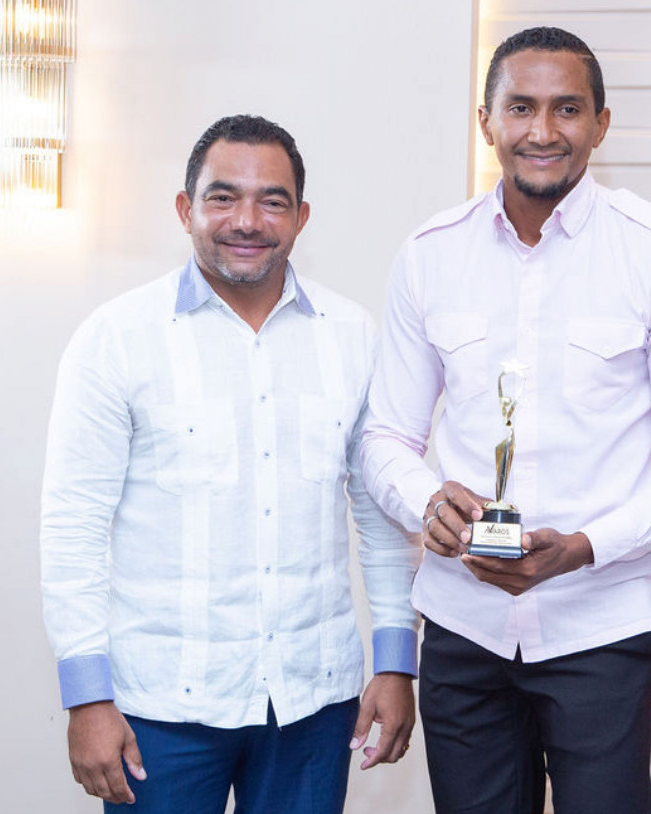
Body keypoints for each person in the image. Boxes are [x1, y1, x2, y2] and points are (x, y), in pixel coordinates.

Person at [359, 26, 651, 814]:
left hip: (600, 628)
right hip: (463, 627)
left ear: (601, 124)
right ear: (486, 122)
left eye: (567, 109)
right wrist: (429, 503)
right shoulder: (430, 254)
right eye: (521, 107)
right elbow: (385, 438)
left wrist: (584, 548)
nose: (543, 130)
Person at [40, 114, 420, 814]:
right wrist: (86, 697)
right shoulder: (116, 339)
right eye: (223, 197)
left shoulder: (354, 338)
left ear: (301, 217)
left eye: (272, 200)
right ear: (185, 208)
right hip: (161, 705)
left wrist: (397, 662)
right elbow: (73, 528)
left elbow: (381, 517)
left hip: (313, 700)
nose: (247, 220)